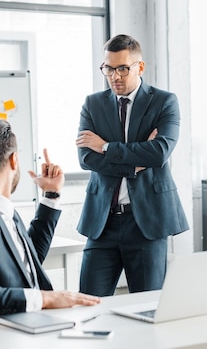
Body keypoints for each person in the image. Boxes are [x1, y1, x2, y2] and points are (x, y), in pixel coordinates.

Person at [0, 119, 100, 320]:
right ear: (13, 160)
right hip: (10, 332)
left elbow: (26, 261)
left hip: (33, 323)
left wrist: (51, 194)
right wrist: (45, 299)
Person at [75, 34, 190, 296]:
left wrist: (105, 147)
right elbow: (86, 159)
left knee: (147, 306)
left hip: (147, 221)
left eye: (122, 69)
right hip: (102, 221)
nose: (115, 76)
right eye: (108, 68)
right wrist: (134, 164)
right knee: (89, 303)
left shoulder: (164, 102)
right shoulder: (93, 104)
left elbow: (158, 152)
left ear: (140, 67)